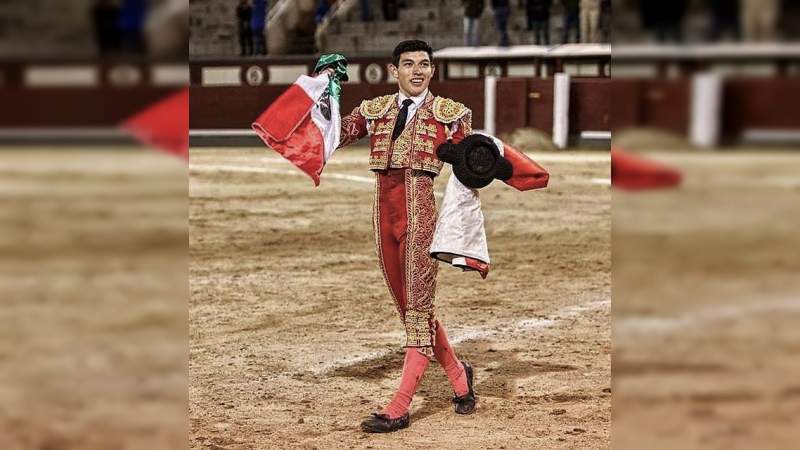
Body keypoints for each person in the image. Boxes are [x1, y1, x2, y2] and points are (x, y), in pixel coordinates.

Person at [335, 40, 477, 433]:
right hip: (383, 218)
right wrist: (327, 92)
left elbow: (476, 160)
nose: (418, 70)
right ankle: (461, 380)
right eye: (409, 64)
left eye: (425, 64)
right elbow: (339, 134)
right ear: (393, 70)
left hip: (420, 219)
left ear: (433, 70)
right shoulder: (376, 109)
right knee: (412, 310)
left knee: (416, 311)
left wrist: (473, 157)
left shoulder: (450, 114)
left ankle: (399, 407)